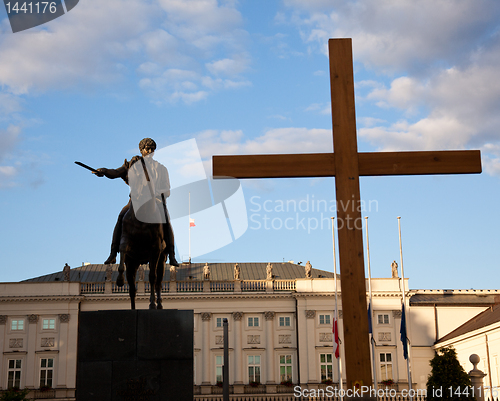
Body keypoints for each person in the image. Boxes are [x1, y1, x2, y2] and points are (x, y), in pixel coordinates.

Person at [93, 138, 178, 266]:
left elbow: (167, 190)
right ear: (141, 150)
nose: (150, 151)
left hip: (155, 201)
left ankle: (171, 254)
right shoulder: (132, 164)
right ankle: (113, 253)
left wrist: (155, 193)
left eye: (152, 149)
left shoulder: (160, 169)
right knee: (122, 216)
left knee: (165, 218)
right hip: (135, 201)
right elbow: (115, 173)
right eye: (147, 149)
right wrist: (104, 171)